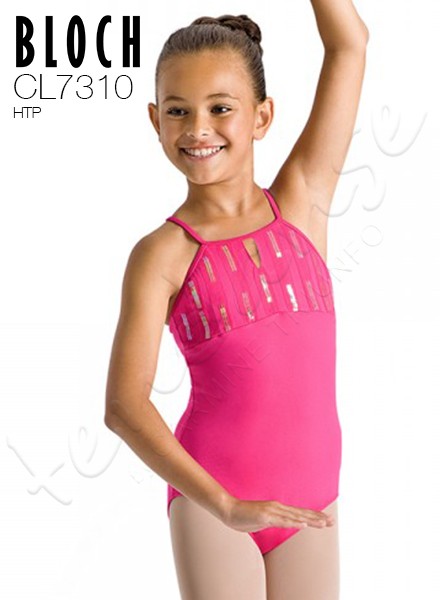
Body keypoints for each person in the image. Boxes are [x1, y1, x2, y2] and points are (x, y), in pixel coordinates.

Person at [105, 3, 368, 598]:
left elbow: (349, 44)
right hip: (214, 502)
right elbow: (123, 405)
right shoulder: (162, 254)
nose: (198, 128)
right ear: (155, 120)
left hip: (312, 500)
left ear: (261, 116)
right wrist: (223, 503)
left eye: (220, 108)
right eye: (178, 110)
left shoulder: (302, 202)